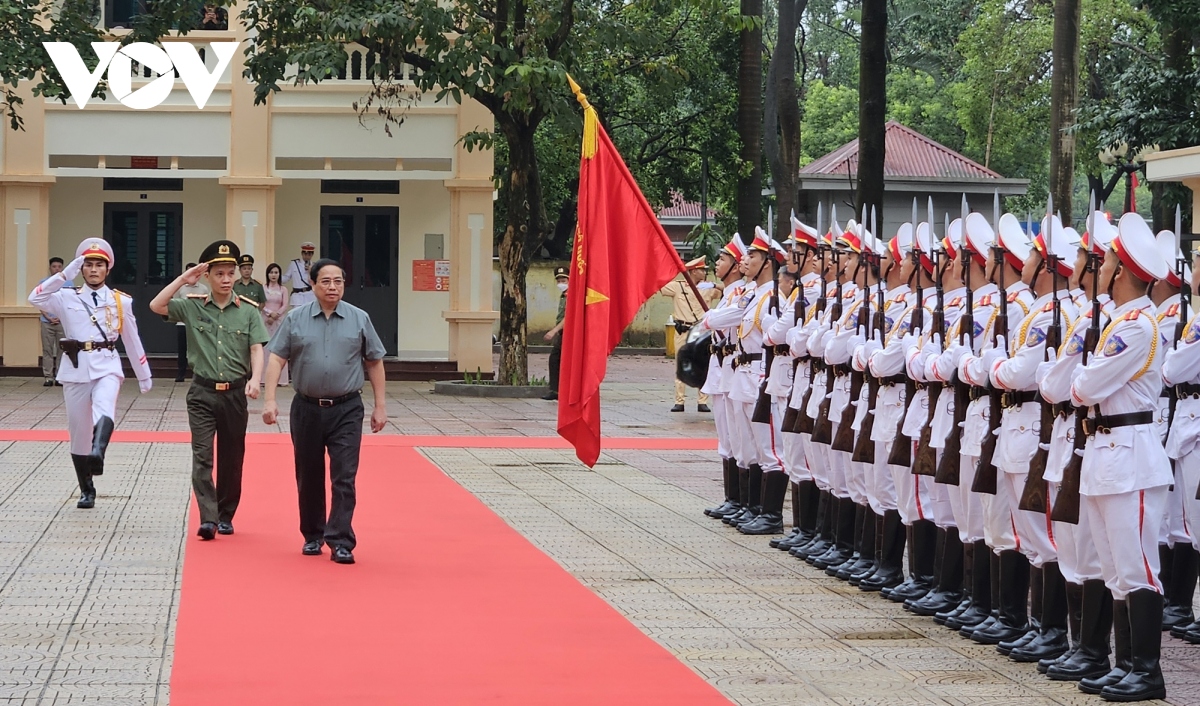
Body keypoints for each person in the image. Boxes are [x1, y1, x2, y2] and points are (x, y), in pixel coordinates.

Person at [262, 258, 387, 565]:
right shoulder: (295, 319)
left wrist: (380, 406)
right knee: (309, 473)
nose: (333, 287)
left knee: (344, 475)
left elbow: (374, 361)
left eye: (338, 282)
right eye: (326, 281)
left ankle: (341, 539)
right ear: (314, 285)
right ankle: (313, 535)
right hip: (306, 407)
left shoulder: (359, 318)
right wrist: (269, 400)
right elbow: (277, 359)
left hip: (347, 408)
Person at [150, 240, 268, 541]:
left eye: (231, 273)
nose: (227, 279)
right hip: (202, 393)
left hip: (234, 394)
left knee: (232, 456)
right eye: (220, 274)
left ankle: (226, 514)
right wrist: (182, 280)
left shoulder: (249, 312)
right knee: (202, 456)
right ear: (207, 276)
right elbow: (157, 306)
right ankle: (208, 517)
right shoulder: (192, 306)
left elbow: (256, 348)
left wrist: (256, 379)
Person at [28, 238, 153, 508]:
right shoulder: (65, 296)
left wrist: (144, 375)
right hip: (74, 369)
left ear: (108, 270)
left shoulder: (120, 301)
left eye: (99, 265)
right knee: (79, 432)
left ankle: (99, 452)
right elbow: (35, 297)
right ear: (81, 268)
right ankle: (87, 488)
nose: (94, 270)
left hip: (106, 363)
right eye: (88, 265)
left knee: (105, 406)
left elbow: (132, 339)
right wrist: (65, 274)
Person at [661, 256, 722, 412]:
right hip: (683, 330)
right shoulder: (677, 287)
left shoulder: (709, 288)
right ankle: (679, 401)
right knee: (680, 363)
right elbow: (659, 285)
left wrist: (714, 284)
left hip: (701, 332)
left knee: (703, 364)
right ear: (694, 271)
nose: (705, 272)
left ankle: (702, 400)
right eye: (702, 269)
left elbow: (727, 291)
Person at [172, 263, 209, 382]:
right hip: (182, 323)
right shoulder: (180, 288)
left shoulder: (203, 288)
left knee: (198, 349)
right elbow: (175, 302)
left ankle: (198, 373)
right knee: (182, 349)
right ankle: (180, 373)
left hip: (197, 323)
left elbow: (206, 306)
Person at [543, 266, 569, 401]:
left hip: (569, 333)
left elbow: (569, 316)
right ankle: (555, 390)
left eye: (564, 280)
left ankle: (561, 390)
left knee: (560, 360)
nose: (561, 283)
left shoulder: (573, 295)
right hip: (562, 333)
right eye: (559, 280)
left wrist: (554, 331)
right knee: (555, 360)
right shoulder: (564, 295)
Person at [262, 262, 290, 386]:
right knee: (265, 348)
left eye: (276, 272)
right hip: (265, 320)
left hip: (279, 320)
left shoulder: (283, 289)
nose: (274, 275)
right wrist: (269, 313)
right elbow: (261, 303)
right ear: (267, 274)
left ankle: (281, 379)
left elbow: (285, 305)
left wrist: (276, 314)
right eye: (271, 272)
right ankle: (263, 379)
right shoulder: (263, 287)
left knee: (278, 348)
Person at [39, 257, 66, 386]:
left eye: (59, 267)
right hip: (46, 321)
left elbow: (69, 303)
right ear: (50, 268)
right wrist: (48, 317)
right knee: (47, 349)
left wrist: (61, 316)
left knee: (62, 350)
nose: (57, 269)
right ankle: (48, 377)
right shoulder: (43, 283)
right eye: (54, 266)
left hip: (62, 322)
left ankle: (60, 376)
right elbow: (39, 302)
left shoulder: (68, 283)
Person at [282, 242, 316, 310]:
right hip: (297, 296)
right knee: (297, 317)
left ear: (312, 255)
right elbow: (286, 278)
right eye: (305, 254)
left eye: (309, 254)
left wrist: (310, 272)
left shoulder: (315, 266)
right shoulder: (294, 264)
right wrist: (276, 276)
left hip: (310, 295)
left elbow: (316, 282)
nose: (307, 256)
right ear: (302, 253)